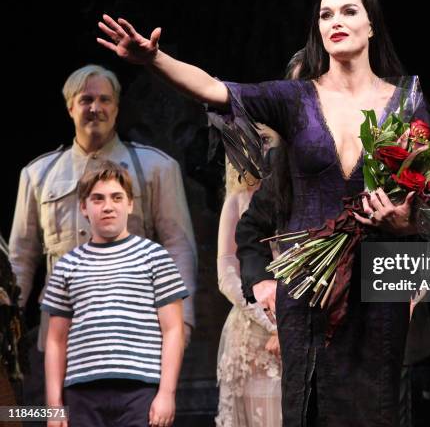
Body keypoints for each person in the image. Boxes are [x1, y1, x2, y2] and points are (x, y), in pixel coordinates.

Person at [98, 0, 430, 425]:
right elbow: (214, 89)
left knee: (376, 412)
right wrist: (154, 59)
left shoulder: (408, 102)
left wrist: (405, 222)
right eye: (325, 14)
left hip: (377, 291)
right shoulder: (295, 98)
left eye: (348, 12)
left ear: (371, 25)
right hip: (310, 291)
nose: (336, 21)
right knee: (309, 411)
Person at [9, 64, 197, 356]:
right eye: (86, 100)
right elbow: (21, 258)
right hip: (64, 330)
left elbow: (178, 248)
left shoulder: (155, 168)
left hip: (134, 325)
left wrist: (181, 320)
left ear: (117, 108)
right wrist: (8, 323)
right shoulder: (38, 174)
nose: (95, 108)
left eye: (104, 100)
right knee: (58, 404)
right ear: (71, 107)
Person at [42, 160, 188, 427]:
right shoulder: (67, 265)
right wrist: (54, 406)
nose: (107, 206)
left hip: (140, 389)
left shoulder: (154, 257)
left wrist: (167, 393)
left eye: (116, 197)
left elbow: (173, 329)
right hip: (82, 391)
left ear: (130, 204)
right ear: (84, 207)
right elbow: (55, 339)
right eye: (97, 199)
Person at [216, 123, 283, 427]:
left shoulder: (301, 195)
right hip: (252, 334)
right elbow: (227, 269)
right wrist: (268, 318)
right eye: (253, 142)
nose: (261, 148)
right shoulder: (238, 200)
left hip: (300, 325)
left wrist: (289, 321)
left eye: (267, 139)